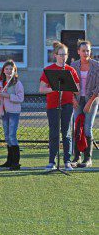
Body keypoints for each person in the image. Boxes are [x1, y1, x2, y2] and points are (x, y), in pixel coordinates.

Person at [39, 41, 80, 171]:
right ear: (55, 55)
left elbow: (78, 89)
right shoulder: (49, 70)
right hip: (52, 105)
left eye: (65, 55)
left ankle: (67, 161)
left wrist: (69, 85)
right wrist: (55, 88)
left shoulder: (70, 70)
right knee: (54, 133)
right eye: (61, 54)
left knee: (66, 133)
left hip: (67, 105)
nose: (63, 57)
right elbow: (41, 89)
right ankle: (52, 161)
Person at [70, 40, 98, 168]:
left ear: (90, 51)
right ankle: (76, 157)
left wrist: (90, 102)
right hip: (77, 99)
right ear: (78, 52)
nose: (86, 53)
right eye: (83, 50)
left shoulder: (96, 66)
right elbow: (68, 84)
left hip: (92, 99)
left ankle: (88, 158)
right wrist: (73, 99)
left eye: (88, 50)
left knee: (87, 128)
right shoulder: (73, 65)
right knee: (77, 127)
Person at [0, 60, 24, 170]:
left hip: (13, 112)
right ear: (3, 70)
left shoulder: (17, 83)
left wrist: (7, 95)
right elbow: (0, 98)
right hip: (5, 112)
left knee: (12, 136)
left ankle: (16, 162)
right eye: (6, 69)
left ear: (14, 71)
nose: (8, 71)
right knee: (7, 137)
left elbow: (20, 98)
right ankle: (9, 160)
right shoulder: (1, 83)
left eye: (11, 69)